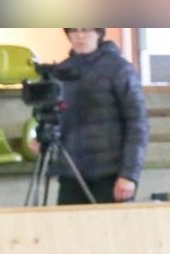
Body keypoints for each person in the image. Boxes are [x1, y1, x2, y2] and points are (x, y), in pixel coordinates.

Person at [52, 28, 149, 205]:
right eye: (73, 31)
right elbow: (57, 116)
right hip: (71, 171)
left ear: (98, 33)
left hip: (110, 171)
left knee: (113, 230)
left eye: (86, 30)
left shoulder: (119, 69)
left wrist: (129, 174)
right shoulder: (61, 71)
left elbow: (138, 123)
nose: (80, 36)